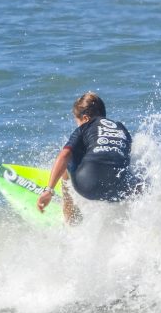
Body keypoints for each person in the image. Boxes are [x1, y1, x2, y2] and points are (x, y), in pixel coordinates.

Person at [36, 92, 139, 223]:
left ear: (85, 119)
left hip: (88, 186)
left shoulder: (85, 127)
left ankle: (70, 217)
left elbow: (64, 155)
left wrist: (48, 190)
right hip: (120, 191)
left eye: (77, 121)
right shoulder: (121, 128)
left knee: (69, 156)